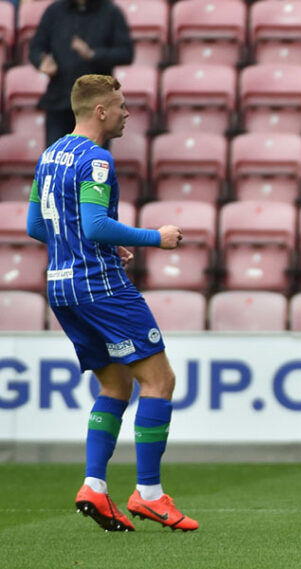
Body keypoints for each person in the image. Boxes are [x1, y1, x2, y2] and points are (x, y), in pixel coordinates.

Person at [25, 74, 196, 532]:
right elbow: (97, 225)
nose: (126, 114)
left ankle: (95, 486)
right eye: (120, 106)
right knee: (159, 381)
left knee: (115, 385)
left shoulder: (50, 155)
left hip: (61, 287)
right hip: (101, 288)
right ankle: (149, 494)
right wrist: (155, 237)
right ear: (100, 111)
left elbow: (36, 226)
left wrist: (88, 243)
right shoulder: (96, 160)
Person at [28, 0, 134, 146]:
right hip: (59, 101)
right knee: (57, 157)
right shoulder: (54, 11)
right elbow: (36, 48)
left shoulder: (111, 12)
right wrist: (43, 62)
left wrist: (93, 55)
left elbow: (126, 53)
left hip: (97, 105)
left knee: (93, 157)